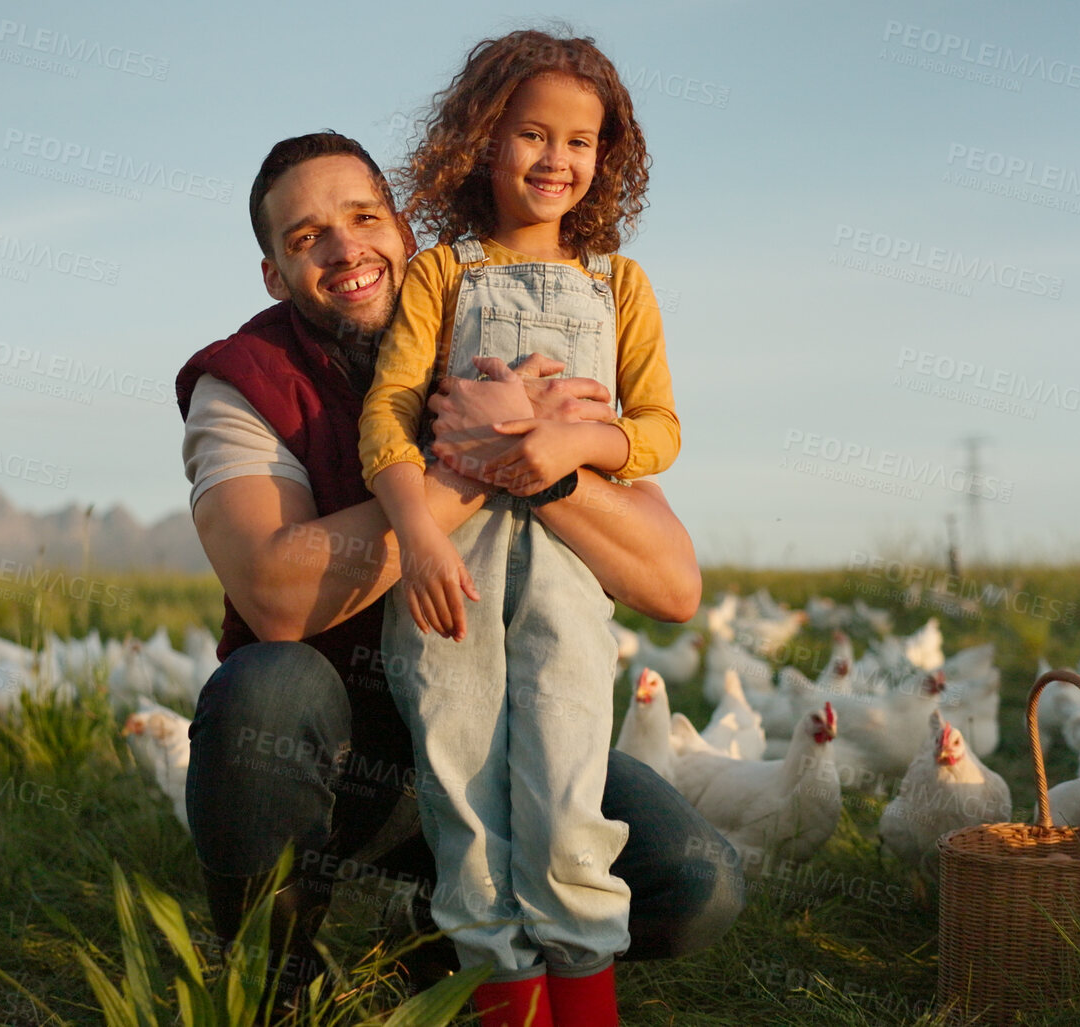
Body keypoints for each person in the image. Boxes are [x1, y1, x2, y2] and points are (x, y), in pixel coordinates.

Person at [174, 129, 740, 1013]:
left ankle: (433, 937)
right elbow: (276, 595)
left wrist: (542, 453)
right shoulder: (245, 383)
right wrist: (472, 459)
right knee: (266, 687)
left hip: (510, 724)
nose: (344, 249)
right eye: (303, 238)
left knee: (697, 882)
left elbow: (671, 585)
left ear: (404, 230)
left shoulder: (509, 335)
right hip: (339, 751)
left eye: (364, 217)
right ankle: (275, 978)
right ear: (273, 276)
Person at [356, 29, 676, 1026]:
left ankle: (582, 990)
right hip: (452, 569)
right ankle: (495, 984)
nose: (555, 160)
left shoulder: (618, 285)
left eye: (581, 142)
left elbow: (660, 429)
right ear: (483, 140)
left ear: (605, 157)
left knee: (567, 797)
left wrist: (576, 447)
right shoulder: (441, 277)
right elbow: (388, 416)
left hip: (570, 571)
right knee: (463, 796)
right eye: (532, 134)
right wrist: (418, 530)